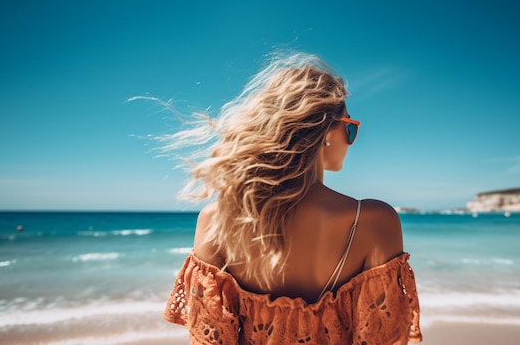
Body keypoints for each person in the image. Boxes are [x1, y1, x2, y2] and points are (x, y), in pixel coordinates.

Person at [164, 52, 422, 344]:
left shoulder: (216, 221)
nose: (351, 140)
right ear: (326, 129)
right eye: (350, 128)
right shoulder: (375, 221)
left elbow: (209, 340)